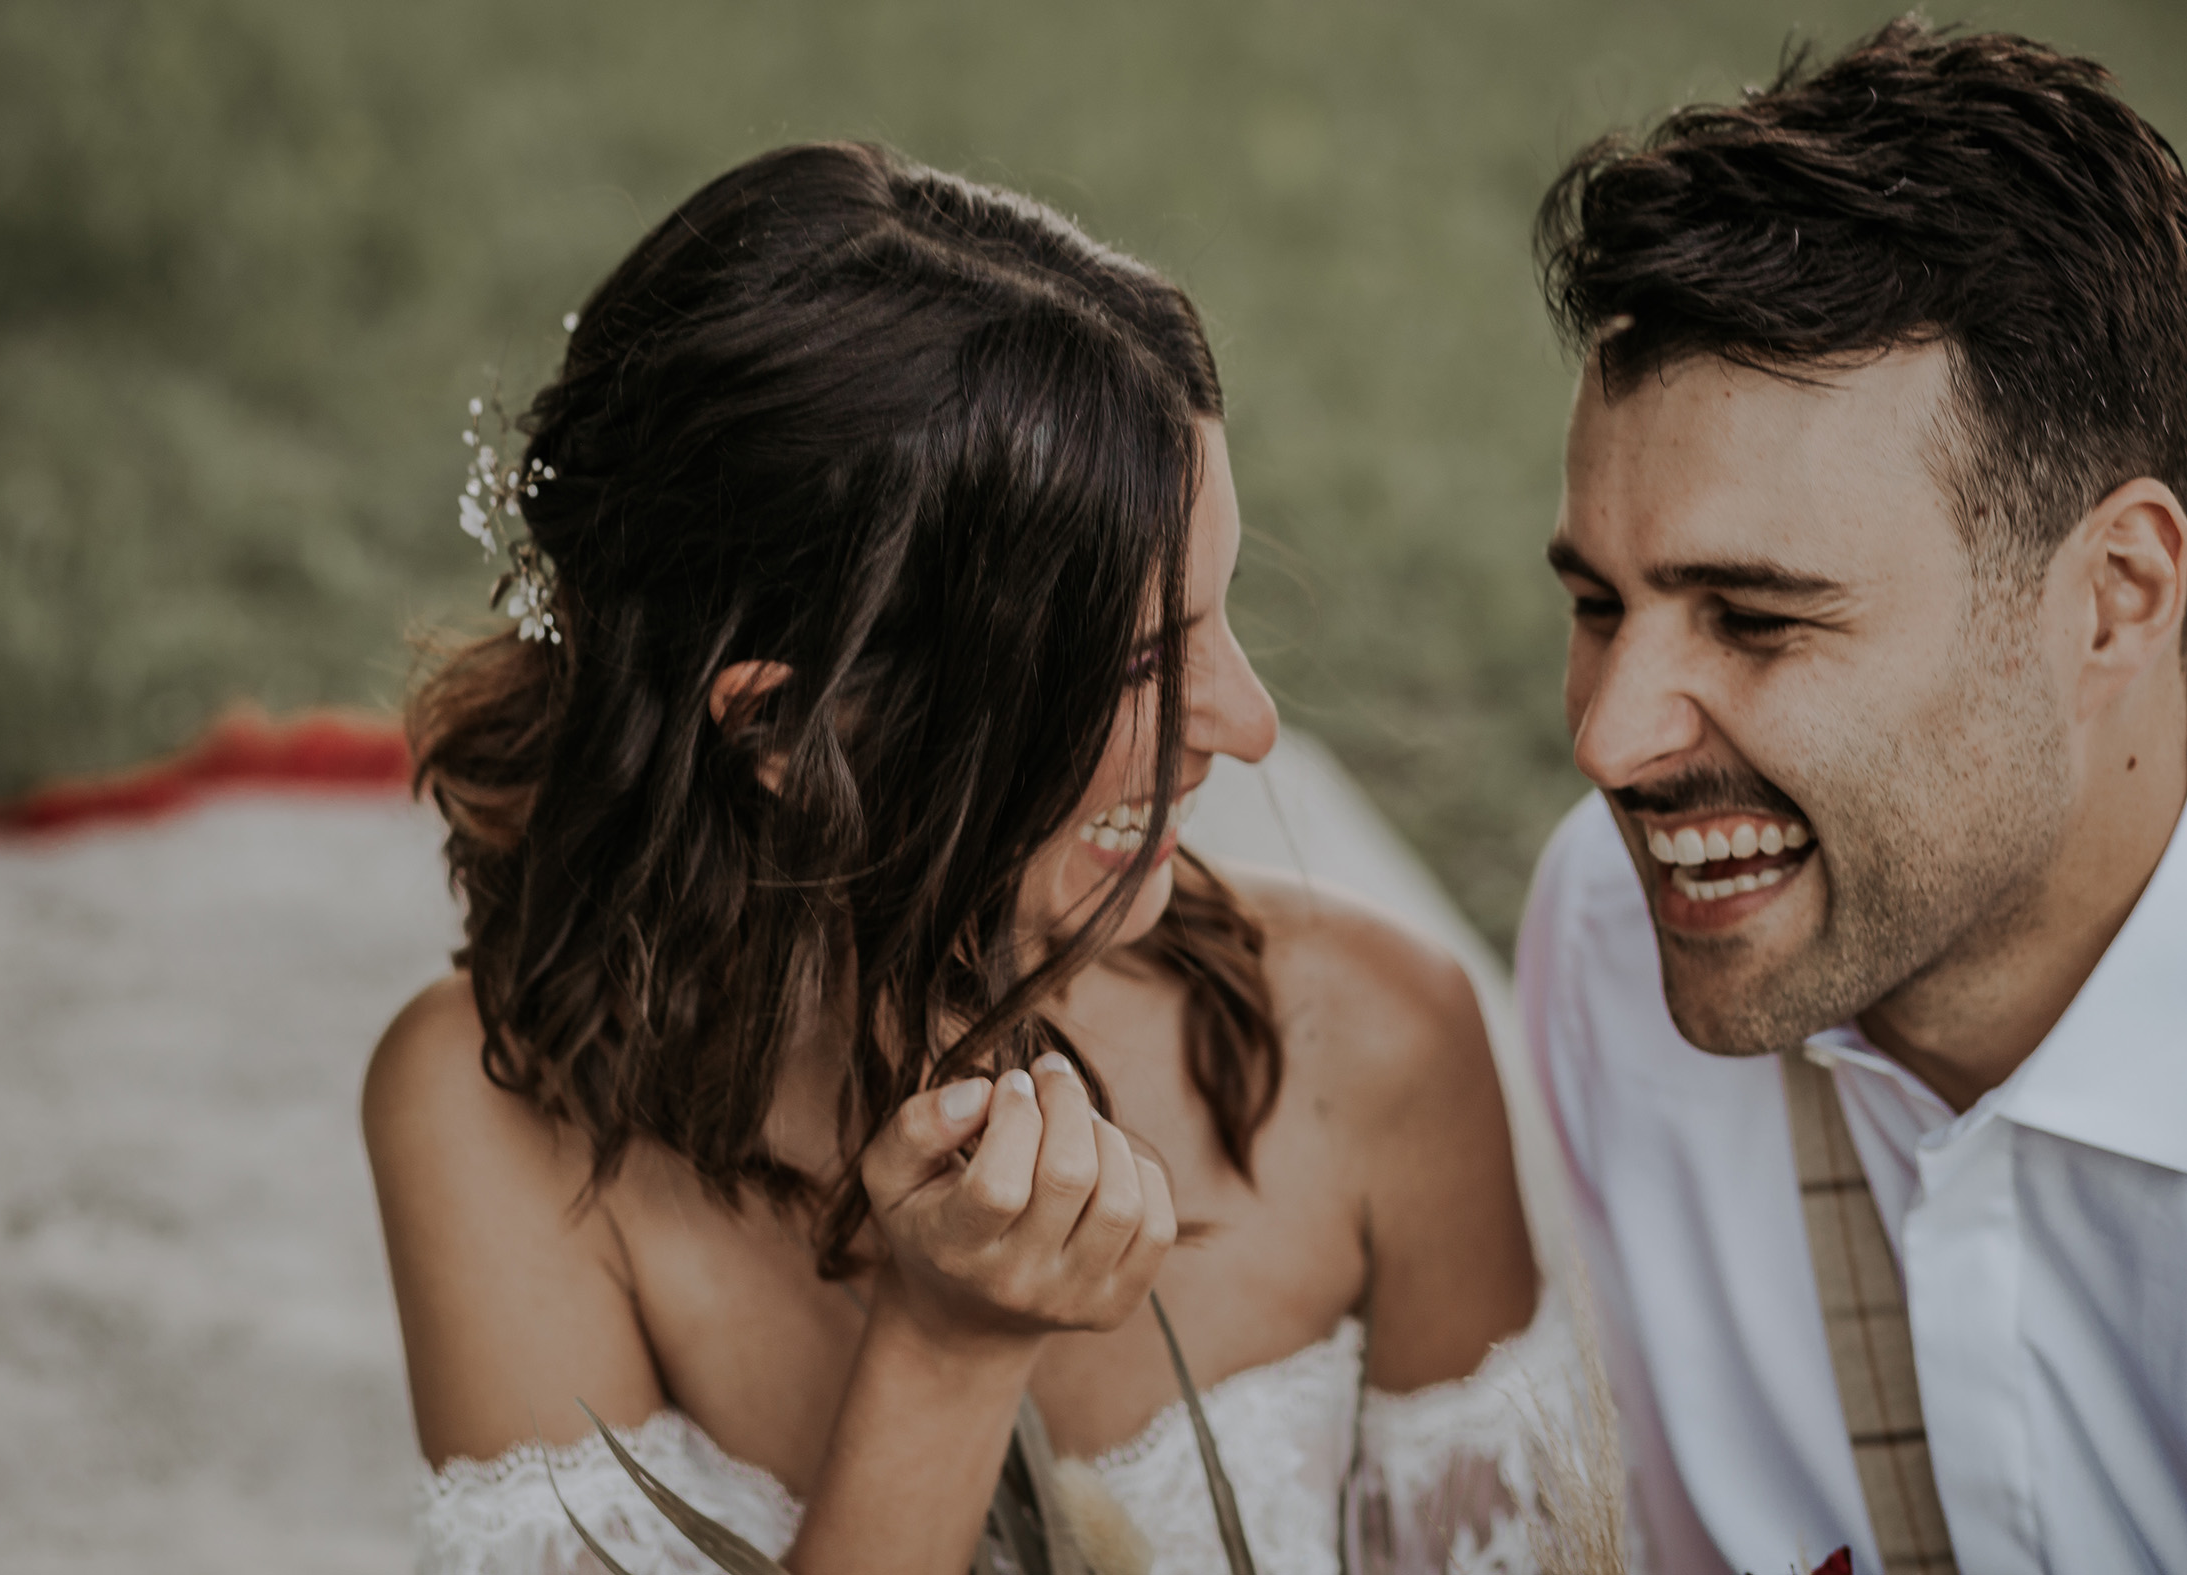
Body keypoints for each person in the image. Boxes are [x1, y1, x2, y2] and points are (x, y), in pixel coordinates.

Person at [364, 142, 1566, 1575]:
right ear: (788, 728)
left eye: (1218, 616)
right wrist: (946, 1353)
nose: (1245, 723)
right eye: (1137, 663)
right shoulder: (484, 1116)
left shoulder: (1378, 1048)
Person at [1520, 20, 2187, 1575]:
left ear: (2112, 597)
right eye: (1598, 606)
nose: (1611, 742)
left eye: (1754, 619)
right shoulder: (1609, 932)